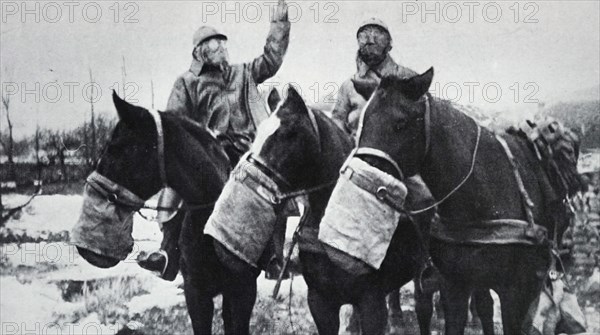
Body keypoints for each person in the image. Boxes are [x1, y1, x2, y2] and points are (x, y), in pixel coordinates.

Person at [137, 0, 291, 281]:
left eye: (223, 44)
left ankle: (272, 256)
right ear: (200, 52)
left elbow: (272, 58)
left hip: (247, 149)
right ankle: (168, 254)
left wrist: (279, 20)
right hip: (207, 151)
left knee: (271, 187)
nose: (222, 49)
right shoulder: (186, 83)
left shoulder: (243, 72)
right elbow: (175, 124)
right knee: (180, 188)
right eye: (215, 45)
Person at [330, 18, 434, 332]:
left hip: (399, 165)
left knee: (426, 201)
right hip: (361, 165)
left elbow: (423, 116)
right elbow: (337, 122)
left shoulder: (405, 77)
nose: (370, 41)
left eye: (377, 36)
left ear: (389, 43)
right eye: (363, 36)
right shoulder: (349, 85)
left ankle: (429, 267)